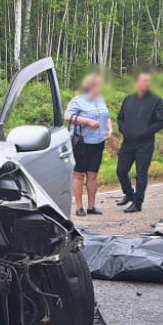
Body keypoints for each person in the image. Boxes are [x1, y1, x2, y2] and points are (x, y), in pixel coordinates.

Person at [115, 71, 163, 213]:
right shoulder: (128, 99)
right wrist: (124, 129)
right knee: (121, 171)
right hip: (128, 142)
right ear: (137, 82)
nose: (147, 83)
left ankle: (137, 203)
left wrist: (146, 131)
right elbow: (120, 118)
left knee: (141, 174)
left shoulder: (156, 100)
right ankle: (129, 193)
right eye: (144, 81)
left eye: (149, 81)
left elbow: (162, 121)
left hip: (145, 143)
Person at [65, 73, 111, 218]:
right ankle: (79, 207)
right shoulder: (77, 101)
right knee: (79, 175)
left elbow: (106, 116)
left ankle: (91, 207)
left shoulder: (100, 100)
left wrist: (109, 128)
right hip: (82, 143)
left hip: (98, 142)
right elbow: (67, 116)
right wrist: (87, 121)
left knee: (93, 175)